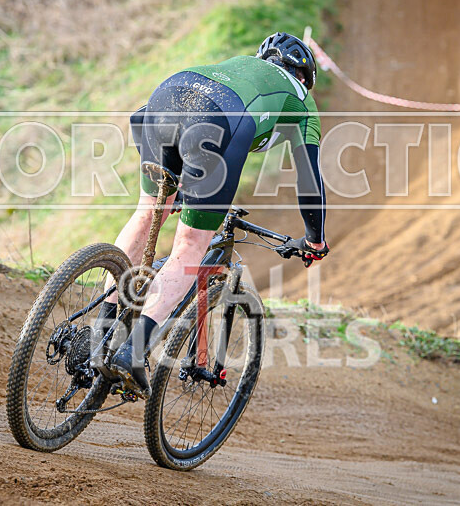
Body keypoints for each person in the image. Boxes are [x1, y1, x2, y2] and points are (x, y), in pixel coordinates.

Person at [98, 32, 329, 397]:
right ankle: (132, 352)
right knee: (190, 246)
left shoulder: (240, 65)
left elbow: (137, 117)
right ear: (304, 76)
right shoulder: (302, 100)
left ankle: (100, 334)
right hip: (219, 120)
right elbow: (310, 179)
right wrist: (314, 239)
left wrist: (169, 187)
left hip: (167, 95)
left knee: (146, 214)